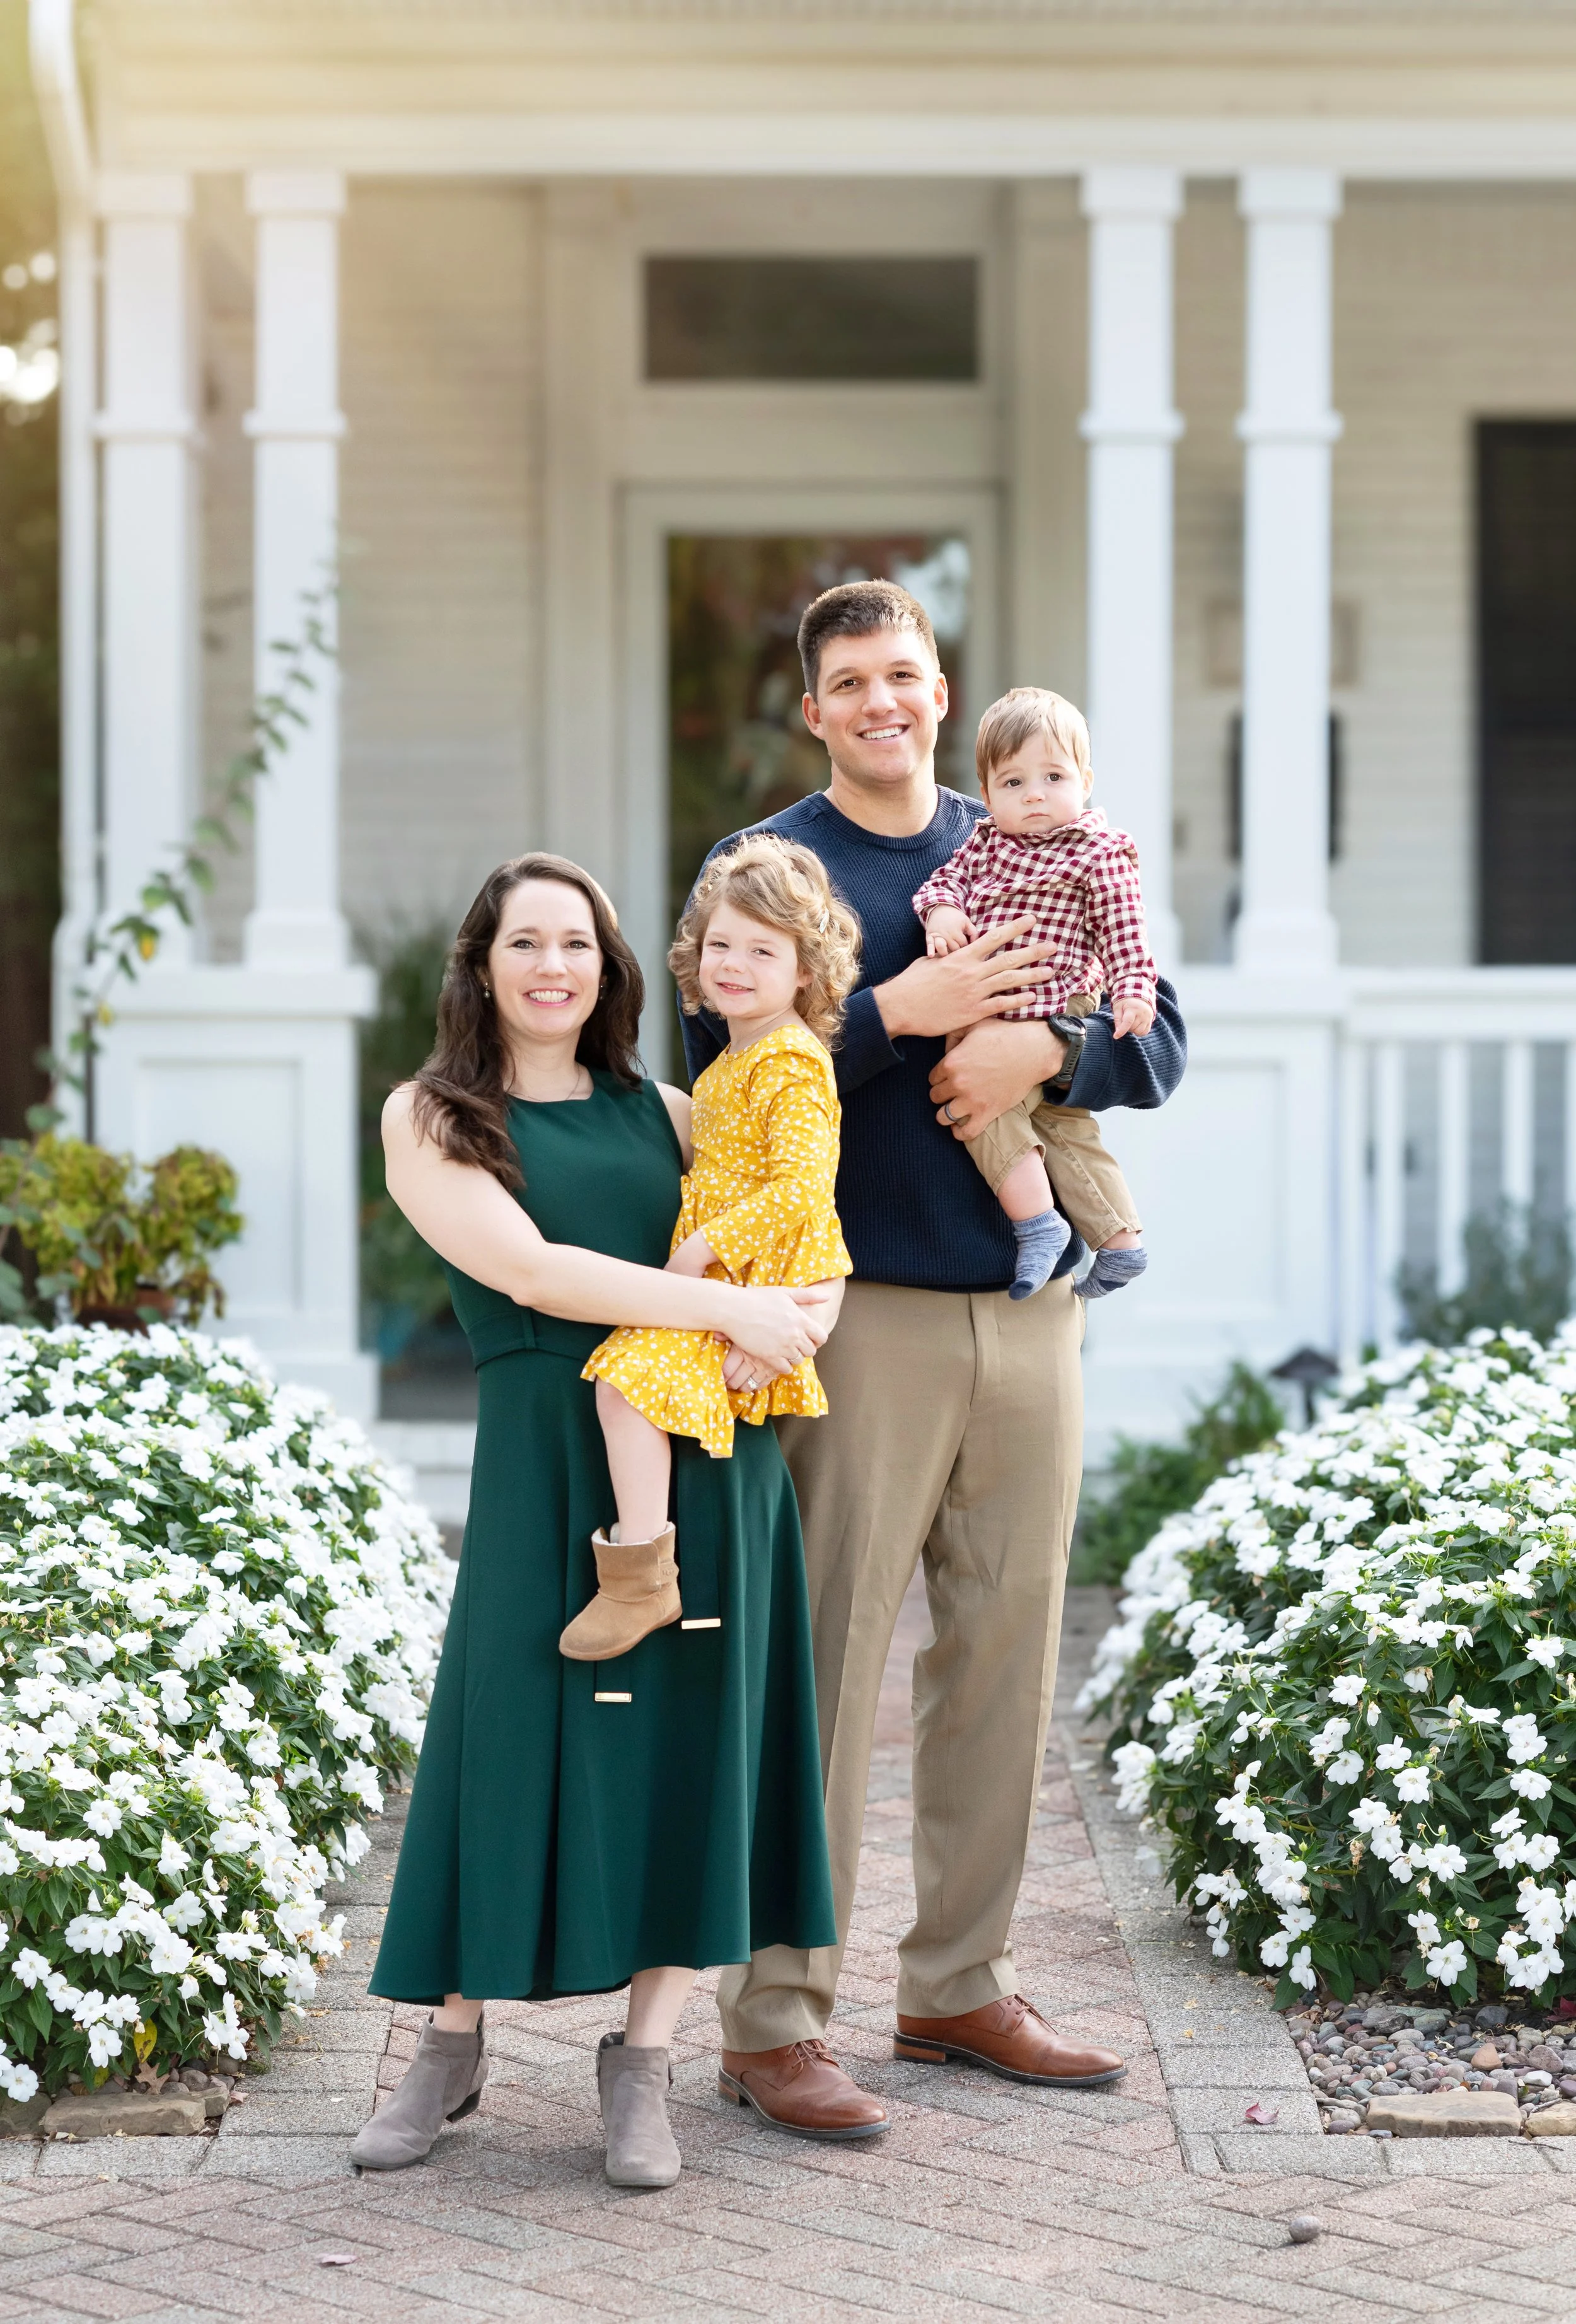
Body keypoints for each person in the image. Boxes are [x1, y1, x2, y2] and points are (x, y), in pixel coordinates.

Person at [682, 582, 1186, 2139]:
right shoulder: (767, 869)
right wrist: (904, 1008)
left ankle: (958, 1982)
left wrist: (1051, 1048)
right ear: (815, 708)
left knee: (1007, 1659)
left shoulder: (1031, 825)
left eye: (903, 673)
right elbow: (712, 1077)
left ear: (940, 684)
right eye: (850, 682)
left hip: (1030, 1309)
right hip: (855, 1315)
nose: (881, 701)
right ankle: (774, 2018)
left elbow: (1159, 1035)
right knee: (825, 1666)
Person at [352, 853, 841, 2190]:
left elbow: (804, 1235)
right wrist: (728, 1308)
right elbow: (531, 1269)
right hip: (540, 1460)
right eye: (525, 942)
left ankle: (642, 2066)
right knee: (502, 1741)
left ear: (611, 969)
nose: (552, 964)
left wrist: (797, 1314)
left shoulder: (676, 1111)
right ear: (482, 963)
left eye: (577, 941)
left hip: (702, 1457)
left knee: (684, 1745)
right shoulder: (431, 1114)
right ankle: (447, 2048)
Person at [575, 837, 859, 1662]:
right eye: (720, 944)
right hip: (738, 1285)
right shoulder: (734, 1057)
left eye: (762, 950)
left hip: (755, 1279)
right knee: (637, 1397)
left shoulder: (791, 1063)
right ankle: (654, 1572)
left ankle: (641, 1578)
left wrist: (702, 1250)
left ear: (805, 970)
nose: (732, 964)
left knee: (624, 1390)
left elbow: (805, 1190)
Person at [913, 685, 1155, 1304]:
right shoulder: (986, 843)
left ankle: (1037, 1223)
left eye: (1053, 776)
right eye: (1014, 782)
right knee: (1065, 1129)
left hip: (1054, 1005)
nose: (1036, 794)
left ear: (1086, 781)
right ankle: (1119, 1240)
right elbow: (945, 882)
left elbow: (1123, 924)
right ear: (987, 793)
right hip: (988, 1002)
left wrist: (1131, 989)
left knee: (978, 1105)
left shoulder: (1096, 848)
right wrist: (941, 914)